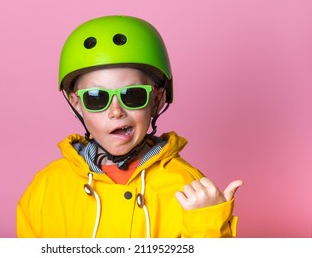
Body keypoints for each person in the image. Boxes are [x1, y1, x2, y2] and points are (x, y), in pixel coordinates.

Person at [16, 15, 243, 238]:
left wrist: (207, 226)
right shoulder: (47, 188)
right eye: (96, 98)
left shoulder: (187, 186)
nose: (116, 112)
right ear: (77, 104)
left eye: (132, 95)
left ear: (157, 100)